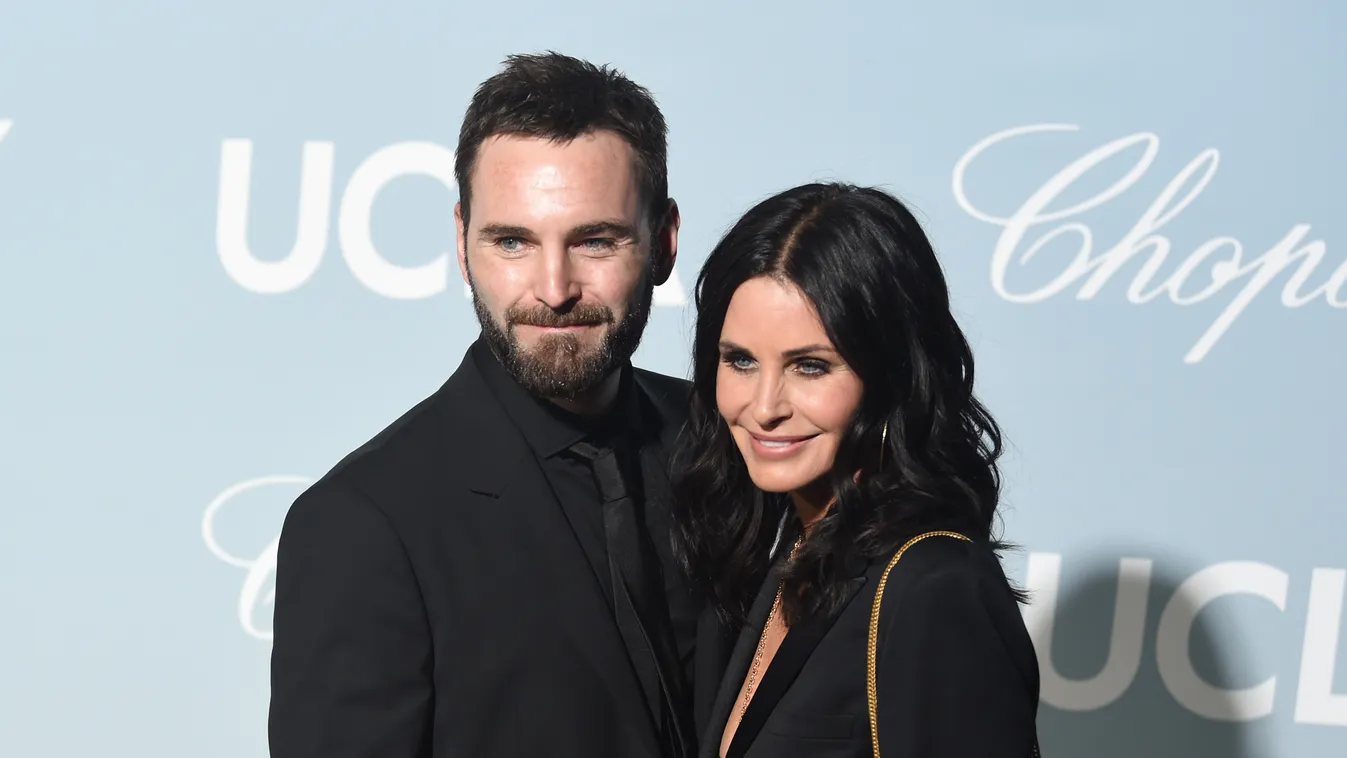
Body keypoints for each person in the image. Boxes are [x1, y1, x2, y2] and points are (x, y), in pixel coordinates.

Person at [268, 52, 699, 758]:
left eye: (594, 240)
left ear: (662, 242)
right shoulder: (363, 525)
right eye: (512, 242)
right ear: (463, 244)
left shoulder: (735, 445)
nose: (553, 288)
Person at [671, 182, 1041, 758]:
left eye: (811, 367)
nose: (765, 406)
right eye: (740, 360)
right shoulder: (783, 556)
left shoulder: (934, 589)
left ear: (892, 376)